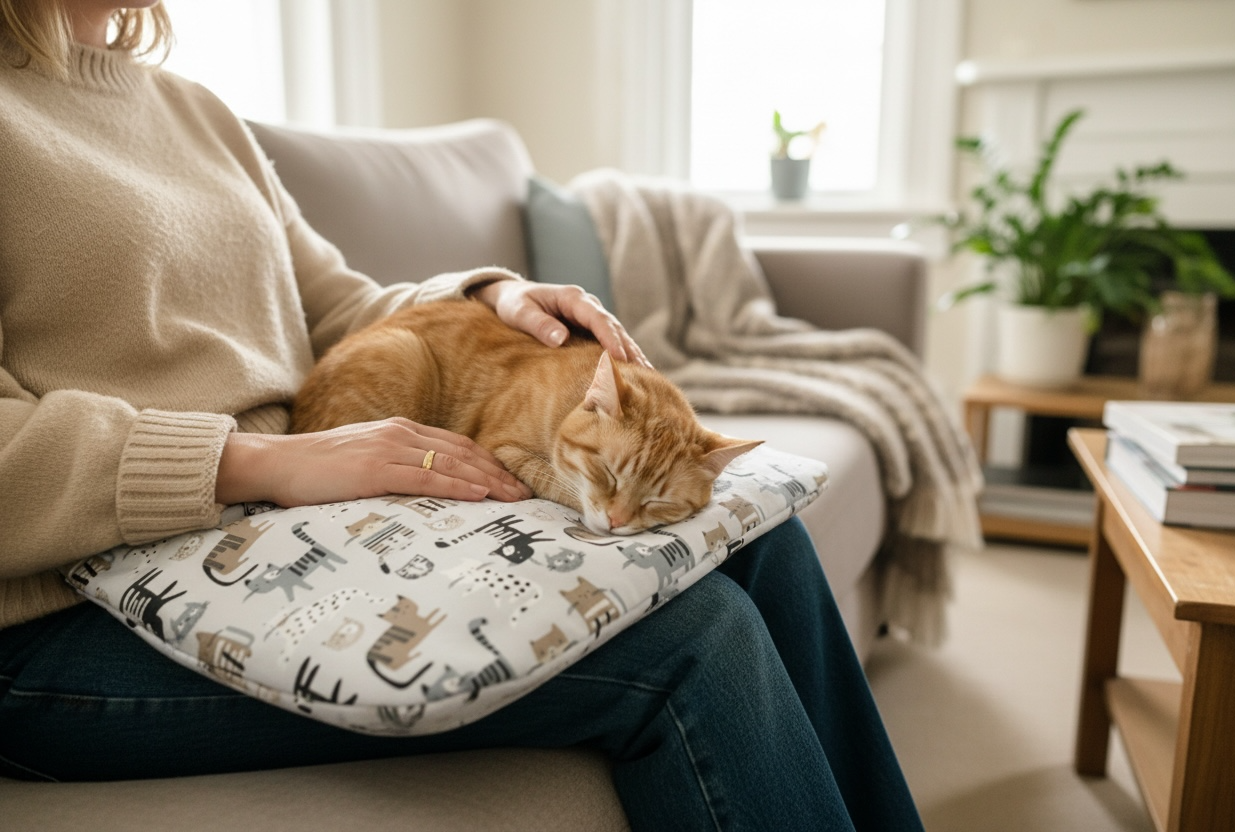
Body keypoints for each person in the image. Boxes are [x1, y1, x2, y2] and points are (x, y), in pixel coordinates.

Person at [0, 2, 925, 829]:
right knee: (697, 639)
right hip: (68, 605)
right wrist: (258, 463)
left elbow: (338, 309)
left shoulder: (194, 112)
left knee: (758, 532)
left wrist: (492, 298)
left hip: (268, 535)